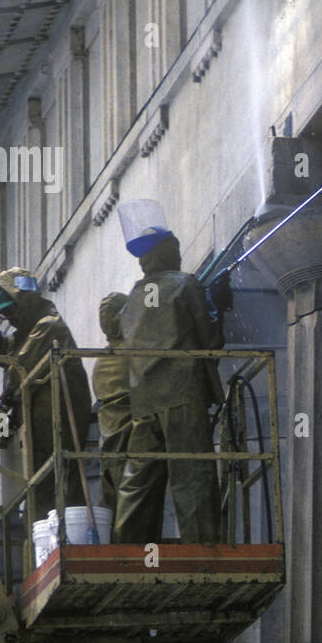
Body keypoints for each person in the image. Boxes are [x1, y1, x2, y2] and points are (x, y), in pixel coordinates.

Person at [115, 214, 224, 544]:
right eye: (174, 248)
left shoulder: (131, 300)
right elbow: (210, 342)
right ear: (167, 252)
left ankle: (128, 547)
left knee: (139, 479)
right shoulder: (184, 284)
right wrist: (216, 307)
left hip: (144, 403)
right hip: (182, 394)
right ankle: (203, 547)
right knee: (191, 474)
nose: (178, 253)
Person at [0, 268, 92, 561]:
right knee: (40, 484)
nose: (9, 318)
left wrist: (9, 389)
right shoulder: (26, 333)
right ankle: (45, 552)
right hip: (40, 419)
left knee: (60, 478)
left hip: (60, 413)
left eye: (10, 310)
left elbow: (16, 367)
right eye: (4, 314)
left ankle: (68, 547)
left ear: (24, 299)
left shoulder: (49, 325)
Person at [92, 292, 132, 521]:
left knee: (112, 492)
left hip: (109, 438)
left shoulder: (103, 358)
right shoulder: (132, 352)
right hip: (129, 435)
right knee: (130, 492)